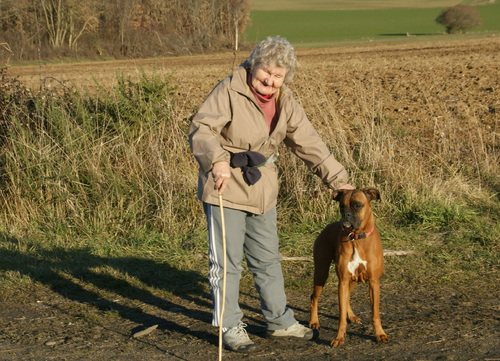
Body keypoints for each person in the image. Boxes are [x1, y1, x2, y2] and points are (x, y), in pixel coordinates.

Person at [188, 36, 354, 353]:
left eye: (278, 76)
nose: (270, 81)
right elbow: (202, 129)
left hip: (263, 188)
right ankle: (231, 325)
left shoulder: (285, 102)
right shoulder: (229, 90)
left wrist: (338, 181)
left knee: (267, 260)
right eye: (266, 72)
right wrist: (217, 161)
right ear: (254, 65)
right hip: (227, 185)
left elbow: (310, 143)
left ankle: (280, 322)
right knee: (227, 262)